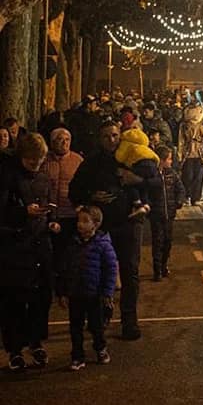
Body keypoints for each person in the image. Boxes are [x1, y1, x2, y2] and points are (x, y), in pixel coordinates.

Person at [69, 121, 152, 340]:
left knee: (130, 271)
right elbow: (75, 190)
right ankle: (100, 315)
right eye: (106, 136)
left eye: (115, 135)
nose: (112, 140)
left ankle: (129, 320)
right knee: (100, 272)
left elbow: (154, 181)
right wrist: (91, 197)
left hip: (129, 223)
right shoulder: (92, 163)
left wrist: (139, 182)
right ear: (100, 138)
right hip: (102, 227)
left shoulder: (132, 157)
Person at [0, 133, 61, 371]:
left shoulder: (43, 178)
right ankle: (14, 348)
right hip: (16, 247)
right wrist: (24, 212)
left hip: (40, 245)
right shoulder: (7, 178)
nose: (36, 165)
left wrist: (52, 221)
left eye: (39, 161)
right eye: (31, 161)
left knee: (41, 298)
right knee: (14, 299)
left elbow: (48, 205)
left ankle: (36, 341)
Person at [56, 205, 117, 371]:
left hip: (94, 294)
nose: (80, 224)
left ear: (95, 224)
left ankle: (100, 349)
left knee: (96, 326)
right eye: (79, 220)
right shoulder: (73, 244)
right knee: (75, 327)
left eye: (85, 221)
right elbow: (65, 268)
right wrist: (62, 292)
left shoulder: (103, 245)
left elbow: (110, 270)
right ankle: (77, 356)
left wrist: (107, 293)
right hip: (76, 293)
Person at [42, 128, 84, 275]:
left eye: (67, 140)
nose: (64, 143)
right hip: (49, 213)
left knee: (69, 253)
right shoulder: (44, 160)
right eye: (60, 139)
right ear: (52, 142)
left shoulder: (78, 160)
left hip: (70, 213)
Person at [149, 146, 186, 281]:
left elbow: (180, 189)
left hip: (169, 215)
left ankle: (164, 265)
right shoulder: (153, 174)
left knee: (167, 241)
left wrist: (179, 200)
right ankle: (157, 270)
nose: (171, 162)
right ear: (162, 160)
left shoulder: (172, 174)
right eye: (169, 159)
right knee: (157, 242)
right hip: (156, 215)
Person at [114, 128, 160, 219]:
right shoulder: (144, 147)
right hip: (152, 165)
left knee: (131, 183)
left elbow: (120, 157)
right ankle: (145, 205)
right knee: (142, 187)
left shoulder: (127, 143)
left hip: (140, 165)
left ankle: (137, 203)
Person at [178, 103, 203, 205]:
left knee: (199, 176)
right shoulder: (184, 125)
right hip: (188, 153)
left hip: (200, 154)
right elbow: (181, 141)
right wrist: (180, 154)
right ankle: (188, 196)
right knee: (187, 176)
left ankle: (197, 197)